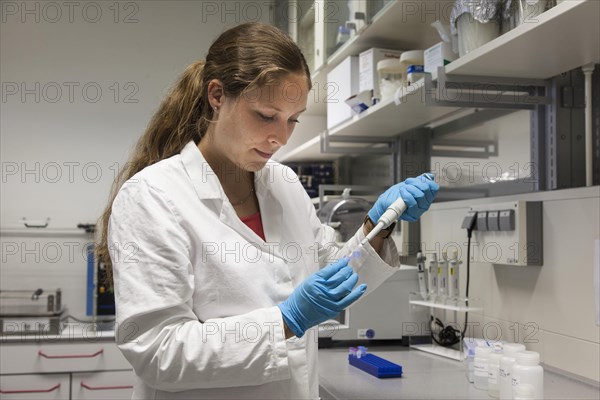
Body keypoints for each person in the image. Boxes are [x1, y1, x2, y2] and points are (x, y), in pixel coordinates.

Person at [97, 22, 438, 400]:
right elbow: (159, 351)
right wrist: (285, 322)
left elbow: (335, 278)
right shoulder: (153, 196)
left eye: (293, 119)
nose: (282, 137)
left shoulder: (285, 185)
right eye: (265, 115)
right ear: (216, 96)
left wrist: (379, 225)